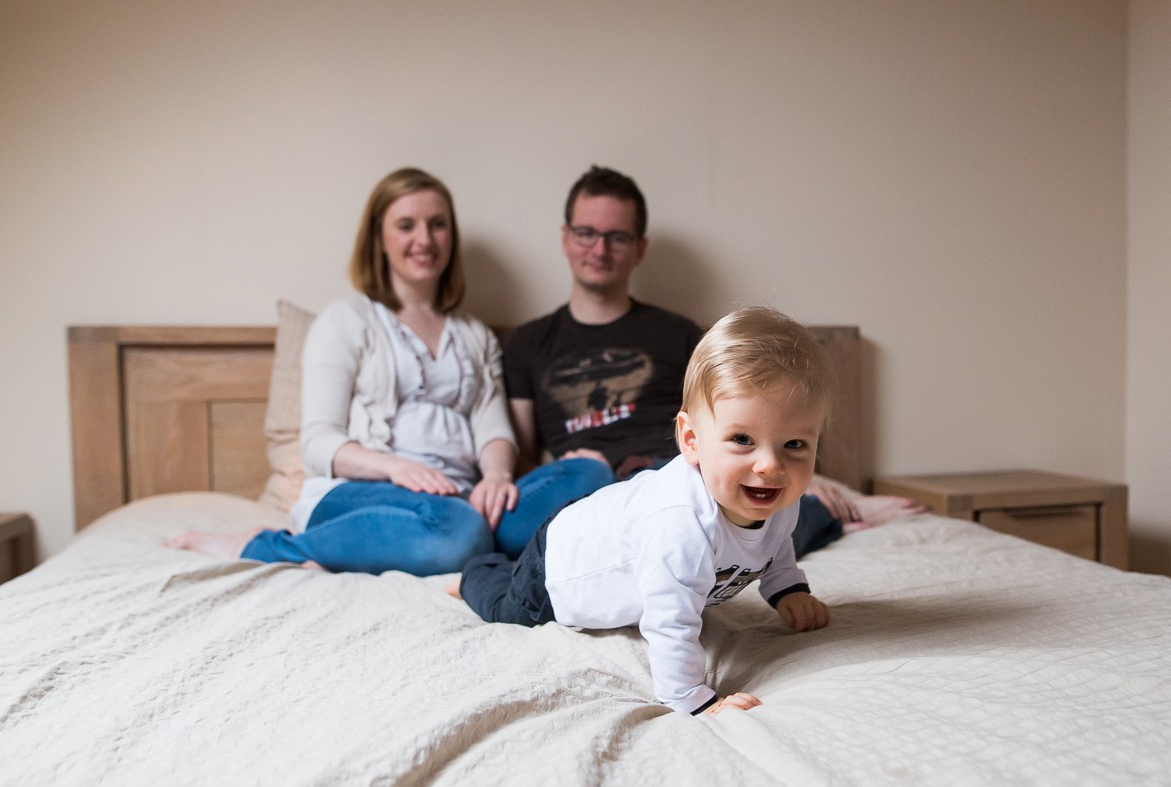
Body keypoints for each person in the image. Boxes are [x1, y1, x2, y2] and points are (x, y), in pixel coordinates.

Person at [164, 168, 613, 573]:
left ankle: (471, 545)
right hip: (361, 496)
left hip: (462, 501)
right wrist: (396, 468)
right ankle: (271, 547)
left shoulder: (475, 335)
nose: (425, 239)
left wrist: (495, 477)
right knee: (455, 529)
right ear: (379, 238)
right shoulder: (343, 321)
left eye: (438, 224)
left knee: (590, 475)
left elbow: (493, 426)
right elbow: (319, 443)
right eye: (406, 226)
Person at [503, 165, 924, 557]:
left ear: (639, 248)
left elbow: (743, 422)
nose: (599, 249)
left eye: (617, 237)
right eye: (585, 233)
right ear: (565, 238)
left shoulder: (677, 333)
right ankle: (828, 516)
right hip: (586, 483)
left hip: (676, 474)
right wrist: (566, 470)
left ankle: (829, 510)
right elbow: (522, 460)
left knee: (735, 508)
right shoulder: (527, 342)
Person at [458, 306, 832, 715]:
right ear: (691, 439)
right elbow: (670, 623)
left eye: (794, 445)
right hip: (558, 567)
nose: (770, 466)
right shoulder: (681, 525)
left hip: (611, 527)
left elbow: (775, 546)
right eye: (742, 439)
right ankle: (477, 570)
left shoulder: (778, 496)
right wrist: (692, 699)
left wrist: (787, 589)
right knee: (506, 609)